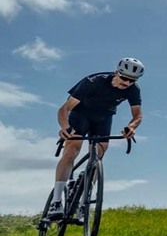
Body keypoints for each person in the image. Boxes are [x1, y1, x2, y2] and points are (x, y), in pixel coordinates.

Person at [49, 57, 145, 219]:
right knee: (72, 150)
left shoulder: (133, 89)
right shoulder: (93, 82)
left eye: (132, 80)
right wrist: (65, 127)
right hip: (81, 114)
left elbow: (137, 115)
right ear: (116, 73)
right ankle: (56, 201)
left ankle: (83, 203)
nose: (127, 83)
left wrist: (132, 127)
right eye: (124, 78)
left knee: (98, 156)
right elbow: (64, 109)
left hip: (104, 118)